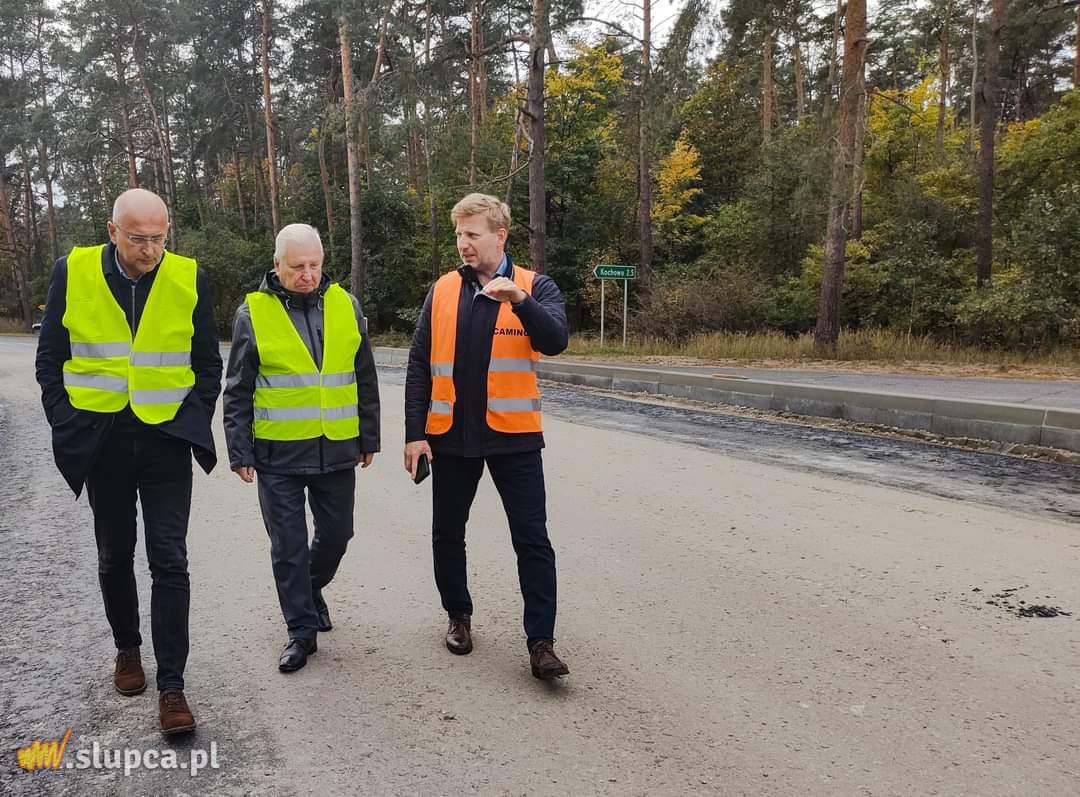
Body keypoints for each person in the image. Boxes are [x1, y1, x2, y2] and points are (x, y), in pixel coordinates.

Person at [35, 188, 222, 735]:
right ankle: (126, 649)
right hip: (102, 440)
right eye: (138, 238)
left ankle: (172, 686)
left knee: (170, 560)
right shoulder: (74, 271)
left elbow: (207, 363)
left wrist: (193, 418)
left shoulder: (190, 277)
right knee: (115, 554)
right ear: (113, 231)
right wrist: (65, 420)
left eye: (158, 237)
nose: (149, 249)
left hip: (166, 442)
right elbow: (51, 359)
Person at [404, 193, 571, 680]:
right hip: (451, 435)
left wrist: (520, 301)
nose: (463, 244)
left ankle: (541, 642)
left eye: (472, 234)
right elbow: (419, 364)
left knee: (533, 540)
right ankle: (458, 615)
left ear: (500, 235)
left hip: (513, 436)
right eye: (459, 234)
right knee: (447, 534)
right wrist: (415, 434)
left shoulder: (535, 286)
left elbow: (555, 341)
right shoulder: (441, 291)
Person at [223, 223, 380, 673]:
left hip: (337, 450)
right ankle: (300, 633)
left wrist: (368, 436)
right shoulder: (252, 313)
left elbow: (364, 375)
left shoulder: (345, 305)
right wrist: (240, 450)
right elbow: (237, 388)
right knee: (287, 547)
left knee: (337, 536)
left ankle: (309, 592)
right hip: (278, 456)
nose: (308, 274)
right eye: (298, 267)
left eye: (315, 265)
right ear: (277, 265)